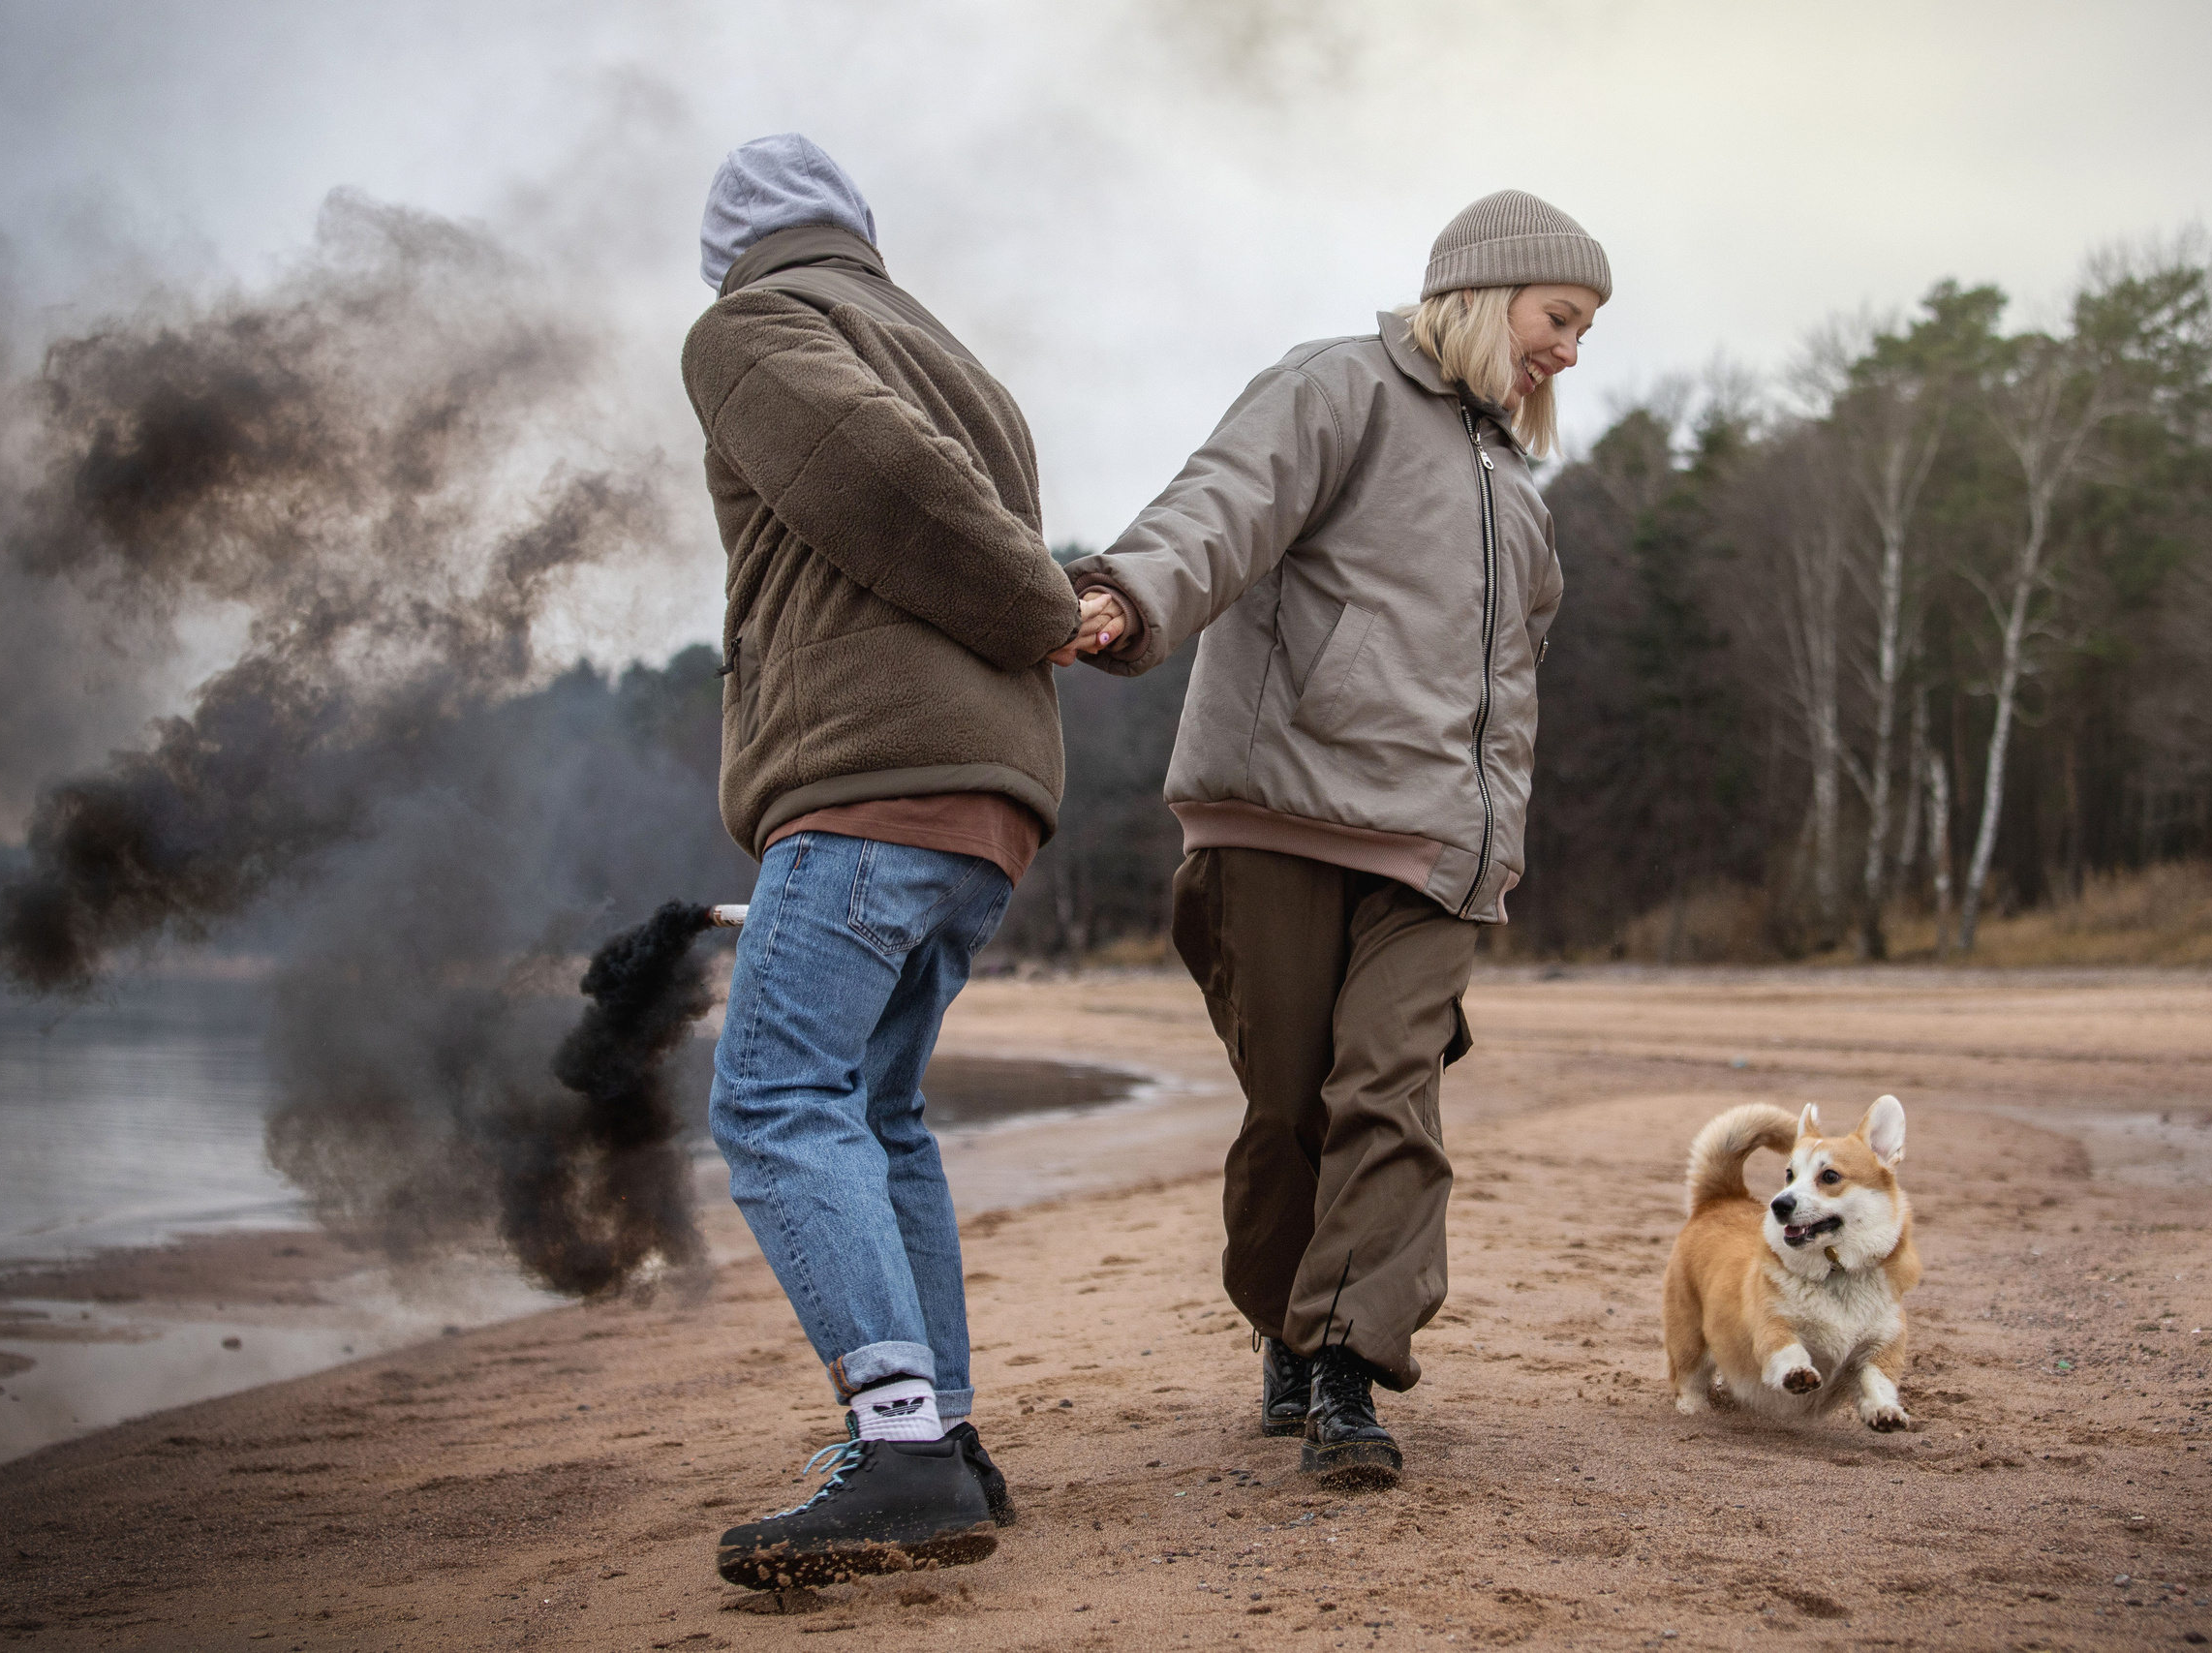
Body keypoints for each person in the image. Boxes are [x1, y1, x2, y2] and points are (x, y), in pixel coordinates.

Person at [1063, 190, 1607, 1487]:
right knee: (1289, 1110)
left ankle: (1350, 1376)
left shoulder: (1520, 495)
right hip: (1283, 818)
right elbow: (1221, 506)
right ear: (1484, 293)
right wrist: (1125, 594)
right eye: (1560, 318)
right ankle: (1288, 1328)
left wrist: (1498, 841)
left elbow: (1511, 692)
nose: (1573, 352)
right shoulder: (1337, 389)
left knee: (1389, 1100)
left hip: (1437, 857)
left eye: (1588, 331)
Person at [680, 134, 1111, 1586]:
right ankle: (953, 1437)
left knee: (776, 1097)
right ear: (857, 230)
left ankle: (905, 1443)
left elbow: (889, 480)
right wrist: (1041, 610)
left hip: (872, 777)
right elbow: (939, 478)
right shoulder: (945, 346)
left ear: (730, 247)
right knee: (880, 1107)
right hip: (987, 800)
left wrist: (1039, 603)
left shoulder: (750, 326)